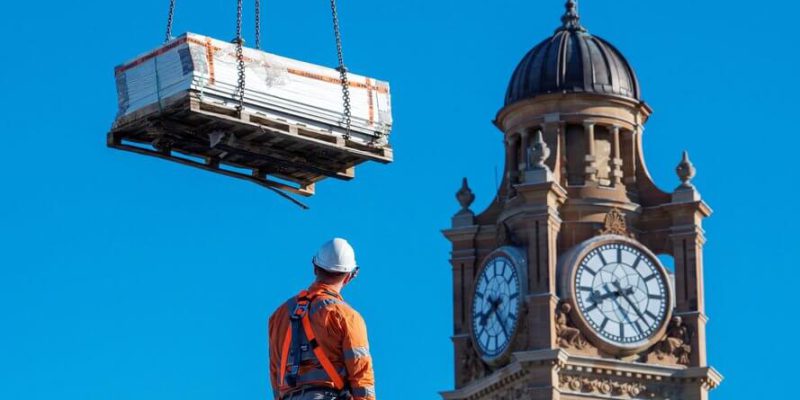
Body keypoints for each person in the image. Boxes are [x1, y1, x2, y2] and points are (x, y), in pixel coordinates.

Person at [268, 238, 375, 400]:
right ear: (349, 276)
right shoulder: (346, 316)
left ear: (315, 268)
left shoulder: (279, 316)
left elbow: (276, 375)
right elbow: (361, 376)